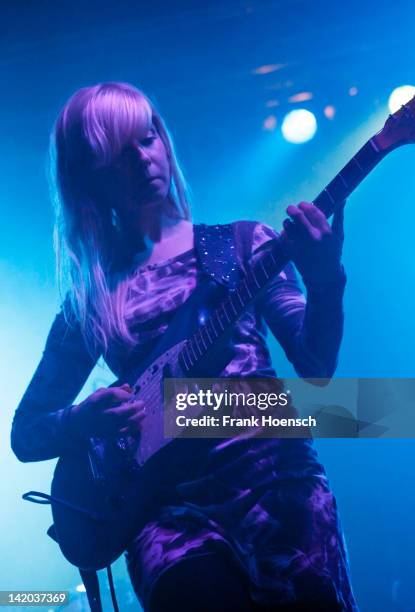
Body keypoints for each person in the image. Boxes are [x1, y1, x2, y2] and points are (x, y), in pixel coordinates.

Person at [10, 82, 358, 611]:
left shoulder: (243, 244)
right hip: (167, 513)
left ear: (165, 142)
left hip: (279, 488)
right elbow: (25, 433)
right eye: (119, 154)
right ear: (90, 178)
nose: (143, 159)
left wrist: (326, 279)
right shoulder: (91, 301)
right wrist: (82, 420)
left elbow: (316, 368)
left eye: (148, 139)